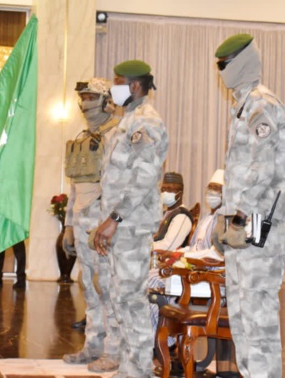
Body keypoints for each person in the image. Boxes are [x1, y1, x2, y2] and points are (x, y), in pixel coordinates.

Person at [212, 33, 285, 378]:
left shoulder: (262, 104)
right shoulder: (243, 106)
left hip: (258, 227)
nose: (221, 72)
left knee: (257, 319)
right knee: (242, 317)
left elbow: (263, 169)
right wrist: (225, 216)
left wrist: (238, 216)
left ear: (242, 63)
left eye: (225, 65)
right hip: (241, 226)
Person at [92, 60, 169, 378]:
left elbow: (143, 178)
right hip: (119, 225)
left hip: (131, 225)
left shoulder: (147, 121)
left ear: (135, 87)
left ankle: (138, 370)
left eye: (118, 82)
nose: (114, 88)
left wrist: (114, 219)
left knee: (131, 298)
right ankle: (129, 365)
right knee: (118, 297)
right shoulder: (127, 120)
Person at [61, 78, 121, 373]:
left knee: (107, 288)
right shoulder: (83, 137)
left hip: (104, 225)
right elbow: (75, 187)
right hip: (83, 222)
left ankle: (113, 351)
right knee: (89, 288)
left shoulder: (117, 135)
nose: (85, 102)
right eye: (82, 97)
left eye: (90, 97)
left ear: (107, 100)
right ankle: (93, 346)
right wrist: (69, 225)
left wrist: (106, 224)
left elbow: (119, 189)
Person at [147, 169, 225, 333]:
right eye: (211, 188)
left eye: (217, 189)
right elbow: (193, 246)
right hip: (191, 267)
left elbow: (213, 253)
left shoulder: (222, 220)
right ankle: (156, 336)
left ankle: (163, 339)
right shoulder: (206, 219)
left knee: (152, 281)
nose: (212, 193)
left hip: (204, 273)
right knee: (150, 280)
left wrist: (183, 255)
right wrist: (178, 253)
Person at [152, 172, 192, 251]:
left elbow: (168, 246)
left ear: (180, 193)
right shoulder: (164, 214)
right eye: (163, 189)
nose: (165, 192)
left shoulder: (182, 216)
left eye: (170, 189)